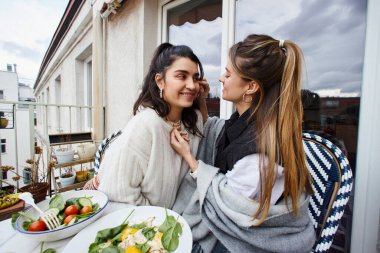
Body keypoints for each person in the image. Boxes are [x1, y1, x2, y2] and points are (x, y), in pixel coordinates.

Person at [170, 34, 316, 253]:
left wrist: (190, 159)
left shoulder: (260, 154)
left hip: (246, 240)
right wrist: (201, 103)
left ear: (251, 87)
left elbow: (228, 205)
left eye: (228, 74)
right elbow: (220, 133)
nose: (221, 78)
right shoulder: (252, 120)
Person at [85, 43, 207, 208]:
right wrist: (160, 223)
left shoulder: (194, 121)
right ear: (160, 81)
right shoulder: (146, 124)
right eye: (181, 76)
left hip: (182, 222)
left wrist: (202, 101)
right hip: (146, 227)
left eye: (195, 77)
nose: (192, 85)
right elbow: (119, 194)